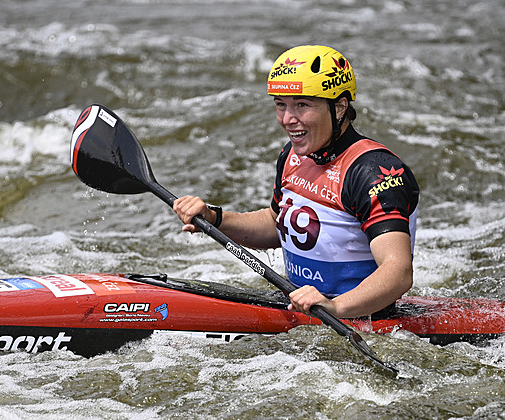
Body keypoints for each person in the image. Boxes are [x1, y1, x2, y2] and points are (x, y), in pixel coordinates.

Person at [172, 45, 419, 319]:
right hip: (302, 305)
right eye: (281, 105)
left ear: (339, 107)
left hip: (363, 319)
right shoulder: (293, 155)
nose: (288, 119)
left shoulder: (374, 172)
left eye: (302, 105)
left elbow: (398, 271)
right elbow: (276, 223)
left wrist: (336, 307)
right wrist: (214, 218)